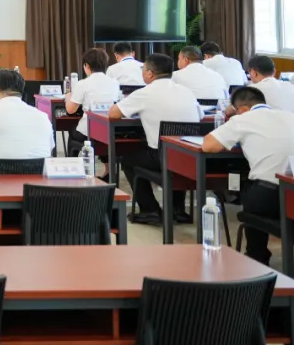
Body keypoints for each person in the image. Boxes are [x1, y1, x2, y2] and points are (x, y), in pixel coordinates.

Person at [203, 85, 294, 265]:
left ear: (242, 109)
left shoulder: (242, 119)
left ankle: (257, 255)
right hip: (291, 190)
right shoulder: (289, 115)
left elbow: (208, 146)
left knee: (250, 184)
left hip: (268, 196)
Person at [110, 53, 202, 225]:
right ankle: (177, 209)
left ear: (150, 73)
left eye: (143, 69)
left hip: (161, 157)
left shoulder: (144, 93)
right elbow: (200, 115)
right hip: (190, 156)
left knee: (128, 161)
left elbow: (113, 114)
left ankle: (150, 209)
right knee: (174, 152)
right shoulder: (186, 91)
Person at [63, 48, 121, 157]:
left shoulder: (83, 83)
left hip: (89, 131)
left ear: (87, 66)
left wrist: (68, 95)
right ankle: (107, 166)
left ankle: (72, 163)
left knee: (72, 131)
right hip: (108, 129)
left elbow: (70, 110)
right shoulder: (114, 83)